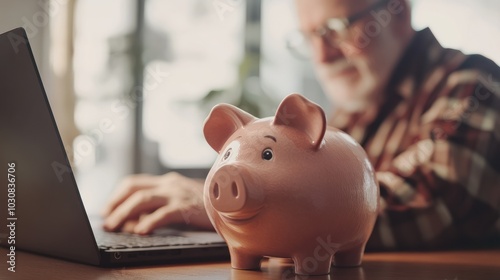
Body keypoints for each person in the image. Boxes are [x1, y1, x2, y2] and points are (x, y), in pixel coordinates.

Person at [102, 0, 500, 250]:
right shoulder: (351, 117)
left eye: (337, 30)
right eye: (309, 37)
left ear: (397, 13)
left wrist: (245, 206)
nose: (322, 56)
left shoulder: (471, 84)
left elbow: (434, 200)